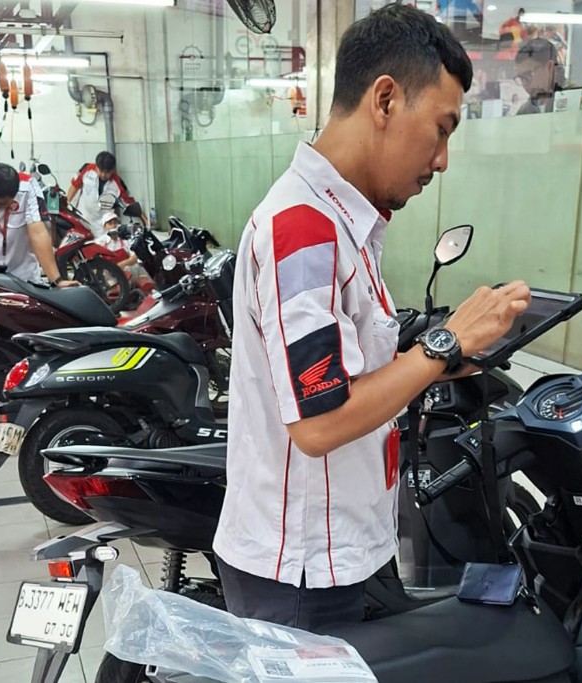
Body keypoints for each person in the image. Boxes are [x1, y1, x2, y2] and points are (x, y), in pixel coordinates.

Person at [212, 4, 531, 630]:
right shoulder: (305, 229)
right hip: (305, 571)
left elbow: (351, 373)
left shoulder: (342, 224)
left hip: (343, 547)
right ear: (384, 100)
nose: (442, 159)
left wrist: (448, 361)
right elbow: (320, 422)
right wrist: (443, 343)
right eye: (441, 129)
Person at [67, 151, 148, 234]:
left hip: (102, 225)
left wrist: (143, 218)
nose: (103, 175)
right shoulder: (86, 170)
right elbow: (74, 186)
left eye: (107, 172)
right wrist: (66, 204)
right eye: (100, 171)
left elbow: (129, 201)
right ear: (96, 166)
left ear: (112, 170)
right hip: (82, 218)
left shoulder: (117, 183)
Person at [515, 37, 562, 115]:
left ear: (550, 68)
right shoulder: (525, 111)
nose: (525, 84)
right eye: (521, 78)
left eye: (528, 75)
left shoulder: (573, 99)